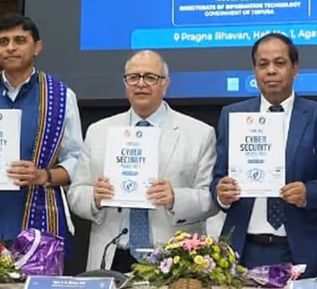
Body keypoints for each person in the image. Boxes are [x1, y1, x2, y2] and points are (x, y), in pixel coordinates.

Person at [68, 51, 215, 271]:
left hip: (172, 258)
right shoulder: (99, 132)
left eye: (150, 77)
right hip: (111, 255)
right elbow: (75, 193)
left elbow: (211, 200)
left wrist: (176, 198)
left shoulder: (199, 133)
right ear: (125, 83)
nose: (141, 84)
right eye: (133, 77)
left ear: (165, 84)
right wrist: (95, 198)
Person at [213, 33, 317, 277]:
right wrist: (221, 193)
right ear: (254, 70)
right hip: (243, 249)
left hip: (300, 249)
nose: (270, 70)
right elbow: (217, 176)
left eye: (279, 63)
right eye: (263, 64)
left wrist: (308, 193)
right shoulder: (232, 116)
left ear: (295, 69)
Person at [0, 13, 84, 245]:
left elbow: (77, 159)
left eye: (20, 40)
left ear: (37, 48)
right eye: (3, 42)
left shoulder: (61, 96)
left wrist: (43, 175)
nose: (10, 48)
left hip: (41, 216)